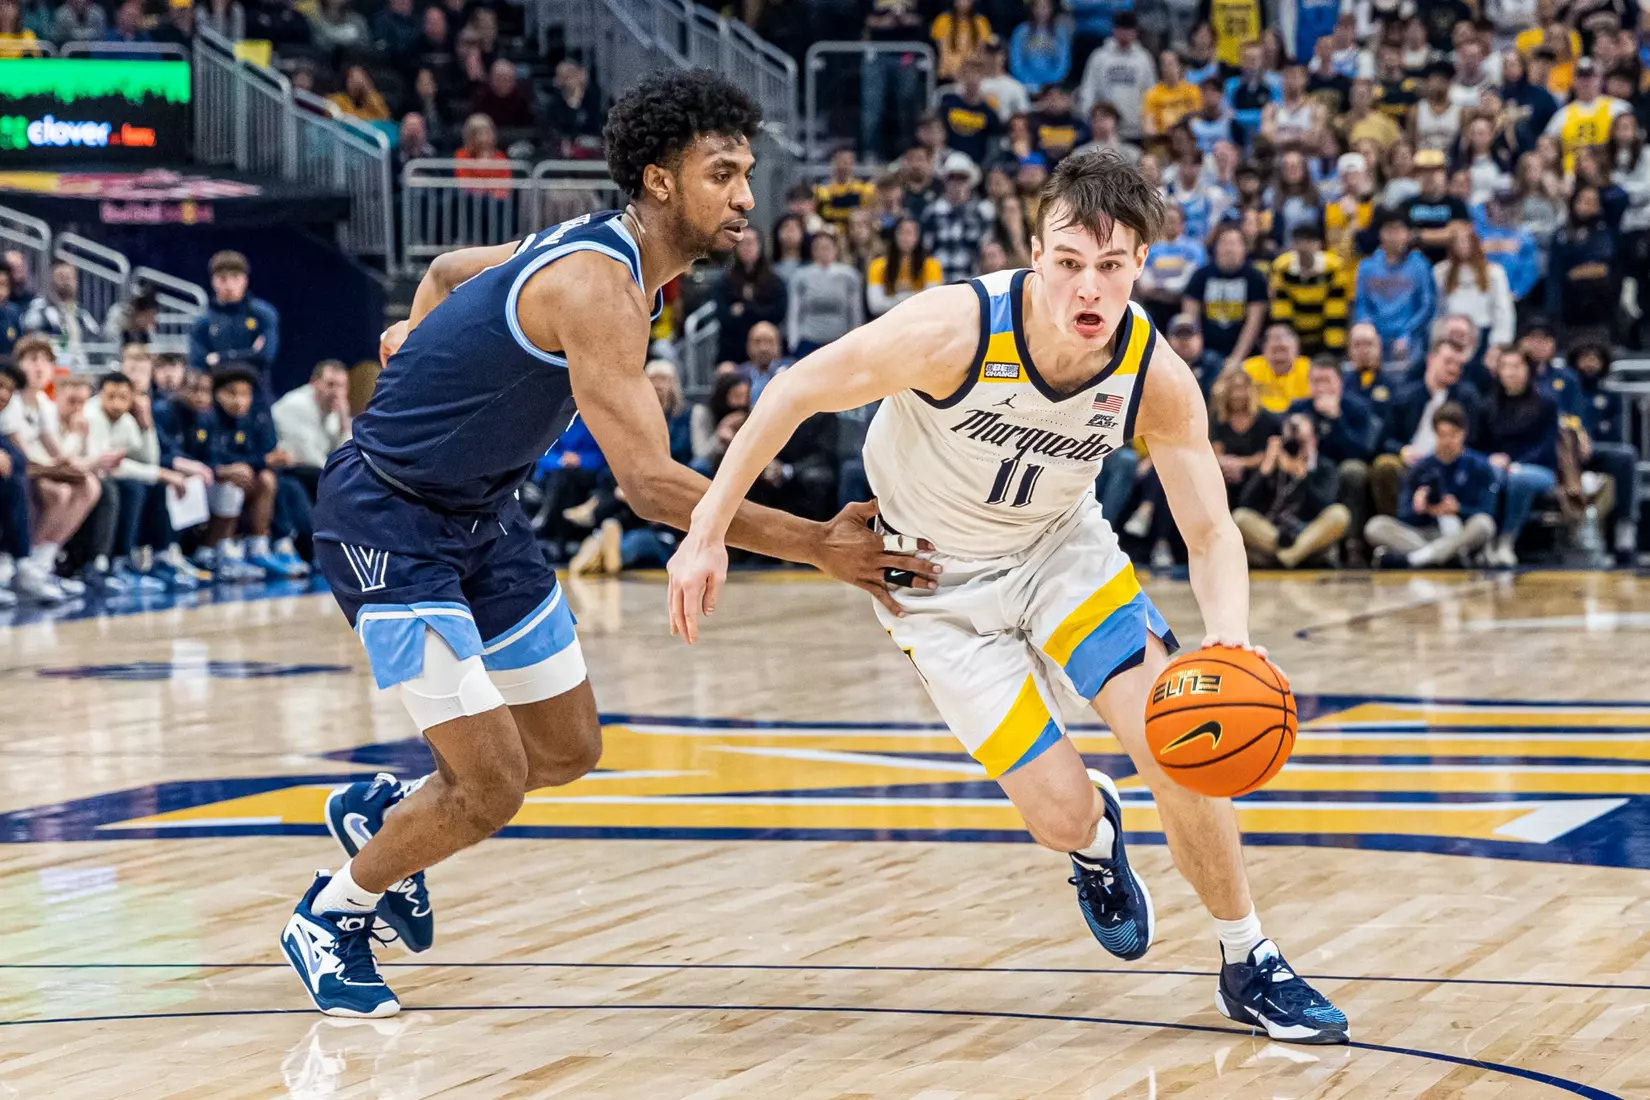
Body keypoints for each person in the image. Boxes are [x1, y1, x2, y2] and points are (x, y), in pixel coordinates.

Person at [278, 70, 937, 1019]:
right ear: (661, 180)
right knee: (493, 784)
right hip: (388, 520)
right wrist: (818, 546)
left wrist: (423, 344)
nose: (747, 196)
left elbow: (449, 275)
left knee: (569, 747)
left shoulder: (605, 257)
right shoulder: (598, 287)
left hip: (485, 517)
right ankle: (332, 914)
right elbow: (653, 487)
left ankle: (387, 814)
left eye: (747, 173)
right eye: (723, 173)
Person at [666, 151, 1348, 1045]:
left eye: (1110, 266)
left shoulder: (1155, 374)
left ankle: (1246, 956)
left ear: (1141, 263)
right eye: (1068, 262)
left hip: (1062, 554)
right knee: (1057, 812)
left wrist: (1228, 641)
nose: (1088, 287)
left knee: (1174, 738)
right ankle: (1096, 840)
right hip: (931, 583)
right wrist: (708, 528)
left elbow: (1212, 531)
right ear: (1035, 253)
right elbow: (794, 389)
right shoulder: (953, 329)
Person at [0, 334, 96, 600]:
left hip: (34, 469)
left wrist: (81, 446)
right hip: (27, 471)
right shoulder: (11, 402)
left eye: (46, 360)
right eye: (32, 360)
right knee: (57, 492)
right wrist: (63, 466)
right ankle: (22, 564)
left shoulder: (43, 403)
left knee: (90, 484)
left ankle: (42, 563)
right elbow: (23, 458)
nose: (39, 367)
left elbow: (60, 455)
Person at [1365, 402, 1499, 567]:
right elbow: (1403, 515)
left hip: (1461, 531)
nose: (1447, 440)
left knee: (1484, 524)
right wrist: (1421, 508)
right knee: (1376, 526)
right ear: (1435, 434)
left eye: (1453, 434)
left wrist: (1459, 509)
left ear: (1464, 433)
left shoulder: (1480, 466)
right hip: (1425, 532)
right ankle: (1445, 556)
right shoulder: (1420, 467)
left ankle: (1417, 558)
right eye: (1442, 435)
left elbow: (1488, 510)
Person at [1471, 345, 1560, 566]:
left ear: (1527, 369)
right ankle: (1486, 540)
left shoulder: (1546, 403)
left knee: (1519, 479)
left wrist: (1520, 464)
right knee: (1489, 473)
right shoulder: (1486, 405)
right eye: (1505, 366)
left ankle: (1506, 541)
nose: (1510, 372)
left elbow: (1548, 446)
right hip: (1499, 467)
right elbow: (1475, 445)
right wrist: (1489, 459)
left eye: (1516, 366)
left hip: (1539, 468)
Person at [1230, 412, 1352, 568]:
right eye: (1291, 443)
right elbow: (1245, 502)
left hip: (1310, 535)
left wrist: (1303, 476)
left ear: (1313, 441)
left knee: (1340, 514)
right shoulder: (1273, 467)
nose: (1295, 448)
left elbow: (1324, 505)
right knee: (1240, 517)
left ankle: (1286, 557)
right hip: (1275, 536)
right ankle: (1293, 556)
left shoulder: (1325, 467)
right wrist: (1265, 470)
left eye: (1301, 442)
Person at [1369, 338, 1474, 517]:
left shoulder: (1467, 399)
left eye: (1459, 365)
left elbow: (1473, 440)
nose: (1453, 369)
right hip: (1411, 462)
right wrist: (1403, 450)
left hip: (1449, 464)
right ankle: (1396, 526)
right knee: (1385, 465)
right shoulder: (1405, 396)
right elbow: (1383, 441)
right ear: (1431, 360)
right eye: (1448, 362)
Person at [1287, 357, 1376, 563]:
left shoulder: (1357, 408)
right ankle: (1295, 536)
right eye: (1316, 381)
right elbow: (1287, 449)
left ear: (1340, 382)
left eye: (1326, 381)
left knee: (1352, 470)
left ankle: (1351, 544)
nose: (1321, 388)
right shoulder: (1298, 409)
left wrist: (1337, 419)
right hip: (1310, 468)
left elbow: (1363, 451)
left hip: (1341, 467)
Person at [1355, 213, 1436, 371]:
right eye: (1389, 231)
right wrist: (1369, 331)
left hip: (1411, 340)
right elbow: (1361, 304)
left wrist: (1406, 334)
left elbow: (1427, 306)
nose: (1394, 237)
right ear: (1380, 234)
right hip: (1375, 338)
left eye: (1399, 231)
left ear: (1408, 234)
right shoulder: (1366, 267)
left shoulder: (1420, 266)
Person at [189, 252, 280, 391]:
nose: (230, 285)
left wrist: (219, 357)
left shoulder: (263, 313)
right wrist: (250, 353)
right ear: (213, 281)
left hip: (257, 396)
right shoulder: (202, 321)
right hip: (216, 399)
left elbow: (266, 356)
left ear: (245, 280)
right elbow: (198, 364)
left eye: (235, 277)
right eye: (223, 279)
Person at [1183, 225, 1270, 370]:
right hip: (1206, 349)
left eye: (1235, 243)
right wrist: (1196, 354)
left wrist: (1236, 359)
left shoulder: (1255, 278)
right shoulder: (1201, 276)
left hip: (1244, 351)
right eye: (1224, 243)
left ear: (1244, 248)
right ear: (1216, 247)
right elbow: (1190, 319)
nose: (1229, 249)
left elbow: (1254, 323)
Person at [1435, 223, 1514, 362]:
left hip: (1483, 332)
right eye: (1458, 242)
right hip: (1452, 333)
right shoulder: (1441, 272)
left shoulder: (1494, 273)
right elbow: (1438, 309)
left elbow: (1503, 309)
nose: (1462, 246)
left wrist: (1499, 343)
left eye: (1466, 241)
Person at [1269, 221, 1349, 358]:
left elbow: (1336, 313)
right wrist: (1288, 348)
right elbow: (1282, 313)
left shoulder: (1334, 268)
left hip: (1324, 338)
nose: (1303, 247)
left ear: (1319, 245)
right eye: (1299, 242)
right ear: (1292, 245)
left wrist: (1334, 353)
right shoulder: (1282, 268)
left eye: (1309, 242)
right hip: (1295, 340)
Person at [786, 233, 863, 358]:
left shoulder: (849, 276)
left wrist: (856, 340)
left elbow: (855, 312)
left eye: (826, 247)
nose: (823, 252)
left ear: (835, 249)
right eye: (818, 248)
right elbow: (794, 313)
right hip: (808, 340)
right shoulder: (800, 276)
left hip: (840, 339)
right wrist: (793, 342)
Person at [21, 260, 100, 369]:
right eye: (61, 277)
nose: (66, 282)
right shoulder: (39, 308)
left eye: (70, 277)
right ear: (51, 280)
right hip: (51, 370)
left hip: (81, 372)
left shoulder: (81, 313)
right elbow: (30, 336)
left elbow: (97, 340)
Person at [867, 217, 944, 317]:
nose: (905, 237)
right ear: (895, 235)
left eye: (910, 233)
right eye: (901, 232)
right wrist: (910, 296)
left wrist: (897, 298)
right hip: (890, 320)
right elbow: (875, 306)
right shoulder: (877, 265)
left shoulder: (932, 265)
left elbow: (933, 301)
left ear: (918, 237)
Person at [1241, 324, 1312, 413]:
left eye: (1283, 350)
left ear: (1296, 349)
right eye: (1275, 350)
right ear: (1264, 349)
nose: (1279, 357)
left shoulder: (1310, 370)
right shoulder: (1248, 370)